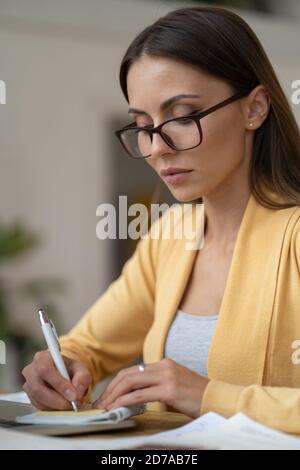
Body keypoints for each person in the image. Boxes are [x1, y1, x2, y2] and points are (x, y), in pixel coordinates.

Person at [22, 7, 300, 432]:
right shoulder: (170, 237)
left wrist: (207, 395)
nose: (157, 148)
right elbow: (90, 346)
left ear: (254, 109)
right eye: (143, 126)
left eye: (183, 116)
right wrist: (64, 366)